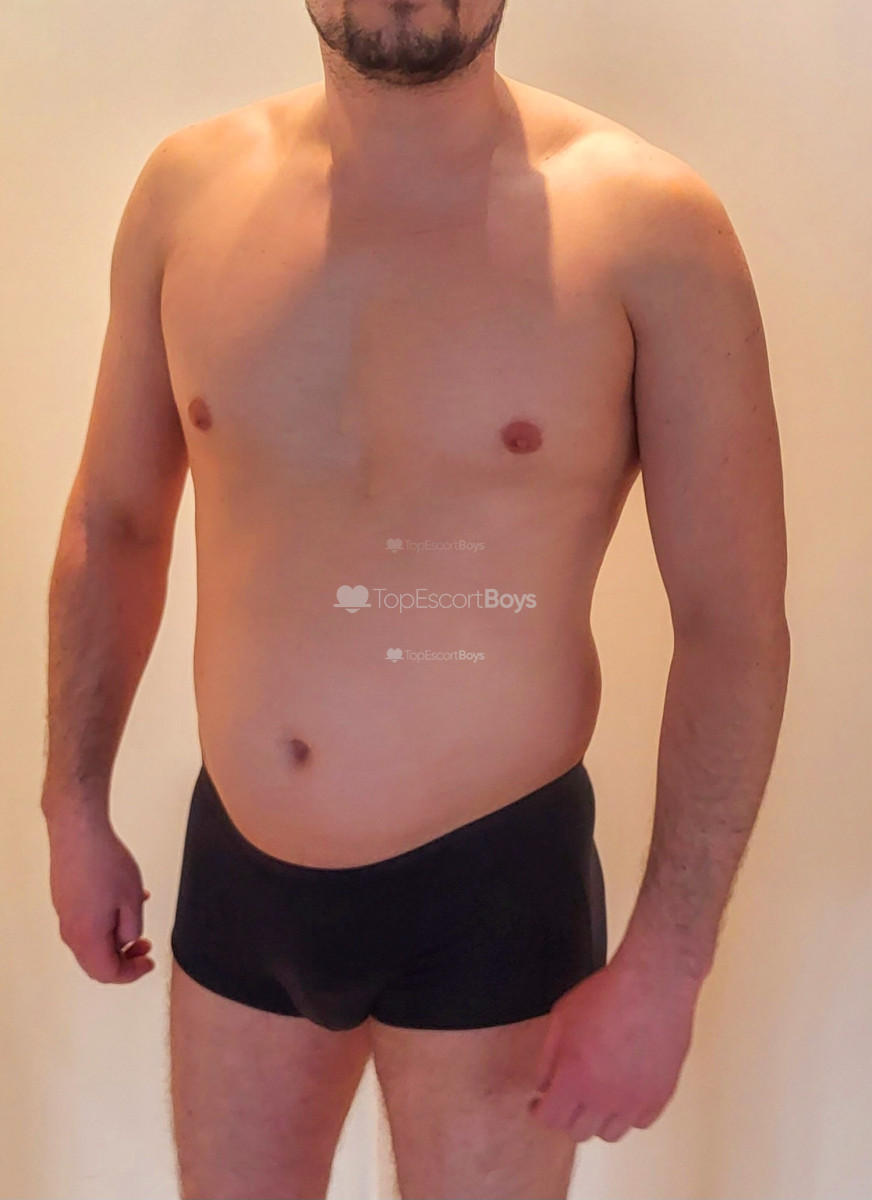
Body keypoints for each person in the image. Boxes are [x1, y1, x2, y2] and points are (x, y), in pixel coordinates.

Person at [40, 1, 790, 1197]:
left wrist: (669, 961)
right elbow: (114, 520)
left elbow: (731, 624)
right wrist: (73, 803)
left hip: (490, 887)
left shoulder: (648, 228)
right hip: (240, 868)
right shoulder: (184, 195)